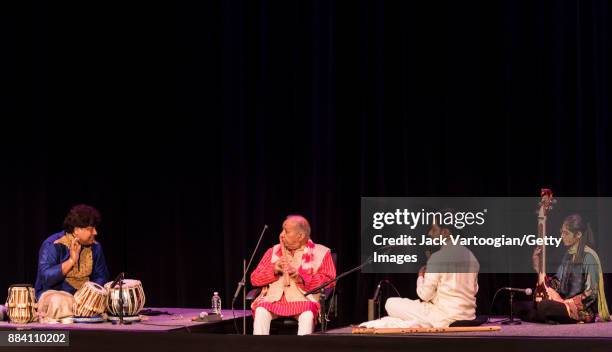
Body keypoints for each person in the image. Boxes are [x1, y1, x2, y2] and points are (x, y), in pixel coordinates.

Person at [361, 220, 479, 328]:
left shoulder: (438, 257)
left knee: (390, 303)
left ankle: (417, 323)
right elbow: (473, 290)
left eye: (433, 229)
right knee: (403, 315)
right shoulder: (472, 257)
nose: (429, 233)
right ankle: (416, 323)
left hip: (443, 317)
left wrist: (421, 277)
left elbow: (425, 295)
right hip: (468, 316)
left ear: (445, 232)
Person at [250, 215, 336, 335]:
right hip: (273, 300)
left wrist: (301, 277)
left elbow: (330, 280)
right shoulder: (273, 251)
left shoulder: (320, 252)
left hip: (304, 300)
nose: (281, 234)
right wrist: (274, 269)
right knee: (261, 311)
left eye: (286, 231)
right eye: (282, 230)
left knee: (307, 315)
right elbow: (254, 279)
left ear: (300, 236)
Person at [517, 214, 610, 323]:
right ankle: (550, 317)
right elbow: (556, 284)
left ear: (578, 234)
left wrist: (567, 303)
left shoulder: (589, 257)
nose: (561, 236)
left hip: (581, 311)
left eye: (566, 233)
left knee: (544, 307)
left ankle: (549, 317)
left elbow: (591, 293)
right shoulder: (568, 255)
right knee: (519, 306)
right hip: (562, 304)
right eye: (561, 232)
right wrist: (538, 269)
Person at [34, 204, 110, 322]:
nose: (95, 232)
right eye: (90, 229)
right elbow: (46, 278)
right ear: (76, 230)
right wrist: (71, 261)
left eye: (94, 228)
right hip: (54, 294)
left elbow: (101, 276)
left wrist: (89, 294)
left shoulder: (95, 247)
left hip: (84, 298)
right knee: (59, 301)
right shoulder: (53, 245)